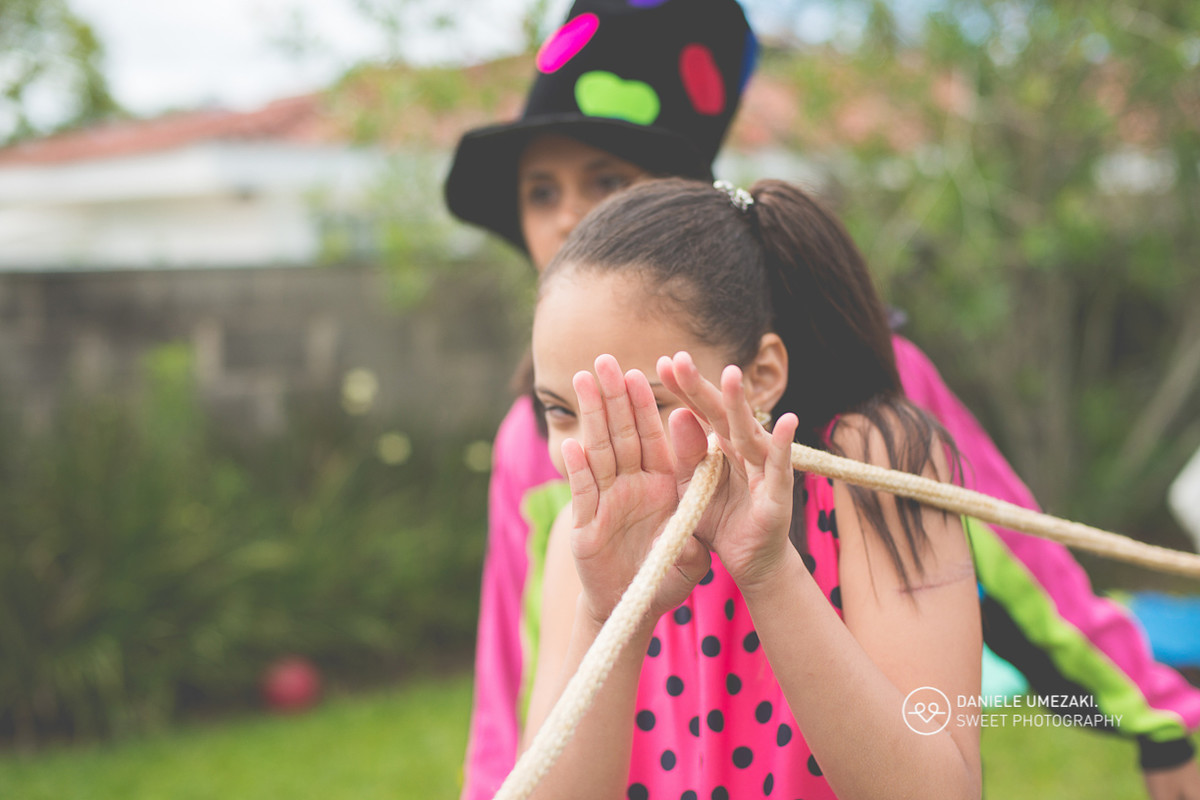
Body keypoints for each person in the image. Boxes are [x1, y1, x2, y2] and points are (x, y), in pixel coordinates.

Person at [443, 0, 1200, 797]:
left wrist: (1155, 712)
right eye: (540, 191)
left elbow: (1022, 560)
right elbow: (518, 672)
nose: (570, 217)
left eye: (606, 180)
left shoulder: (871, 423)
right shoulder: (540, 449)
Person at [523, 176, 982, 799]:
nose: (586, 448)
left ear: (761, 376)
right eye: (558, 410)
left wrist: (769, 573)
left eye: (641, 407)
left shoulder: (876, 464)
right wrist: (609, 616)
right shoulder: (579, 545)